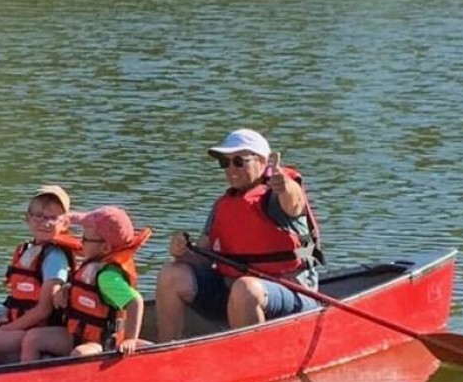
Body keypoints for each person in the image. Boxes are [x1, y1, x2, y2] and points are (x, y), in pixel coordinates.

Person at [155, 129, 323, 342]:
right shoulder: (223, 205)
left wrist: (284, 186)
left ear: (262, 162)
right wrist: (183, 251)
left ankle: (252, 358)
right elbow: (203, 258)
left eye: (238, 161)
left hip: (292, 292)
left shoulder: (277, 195)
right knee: (172, 273)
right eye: (225, 162)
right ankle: (165, 349)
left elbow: (295, 203)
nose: (230, 169)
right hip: (232, 292)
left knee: (245, 288)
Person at [0, 185, 79, 367]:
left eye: (52, 218)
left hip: (44, 327)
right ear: (27, 218)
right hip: (23, 321)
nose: (45, 222)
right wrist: (7, 322)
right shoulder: (27, 249)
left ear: (64, 223)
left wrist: (8, 328)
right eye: (38, 216)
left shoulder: (55, 257)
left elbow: (44, 310)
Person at [20, 205, 150, 360]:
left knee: (80, 354)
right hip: (77, 334)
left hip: (102, 342)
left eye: (86, 239)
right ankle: (29, 380)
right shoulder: (91, 266)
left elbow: (135, 301)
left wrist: (130, 340)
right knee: (33, 338)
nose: (81, 243)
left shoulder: (107, 277)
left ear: (105, 247)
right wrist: (67, 289)